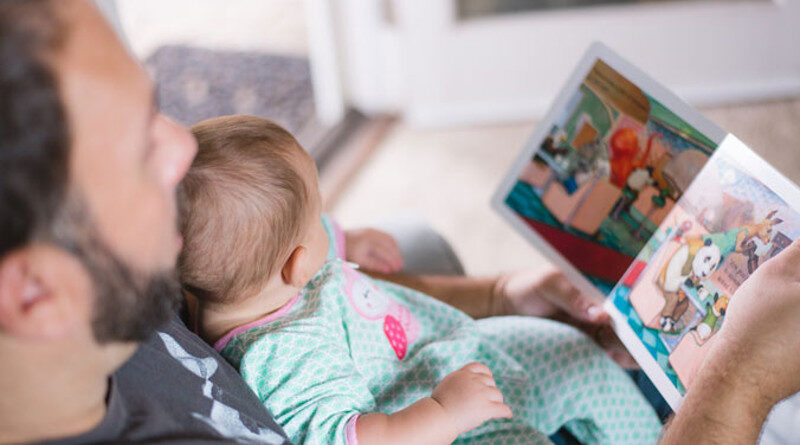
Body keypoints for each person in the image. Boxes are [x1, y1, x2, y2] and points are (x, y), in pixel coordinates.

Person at [0, 0, 796, 443]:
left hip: (432, 359)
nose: (182, 144)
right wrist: (743, 374)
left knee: (409, 230)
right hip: (441, 418)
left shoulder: (144, 275)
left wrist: (490, 291)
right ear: (34, 293)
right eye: (140, 151)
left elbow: (309, 287)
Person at [177, 114, 664, 444]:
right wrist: (444, 412)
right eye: (319, 212)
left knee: (575, 355)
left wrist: (347, 238)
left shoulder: (255, 275)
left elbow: (300, 237)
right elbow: (347, 438)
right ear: (297, 266)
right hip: (440, 425)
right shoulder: (281, 356)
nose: (326, 220)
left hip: (450, 350)